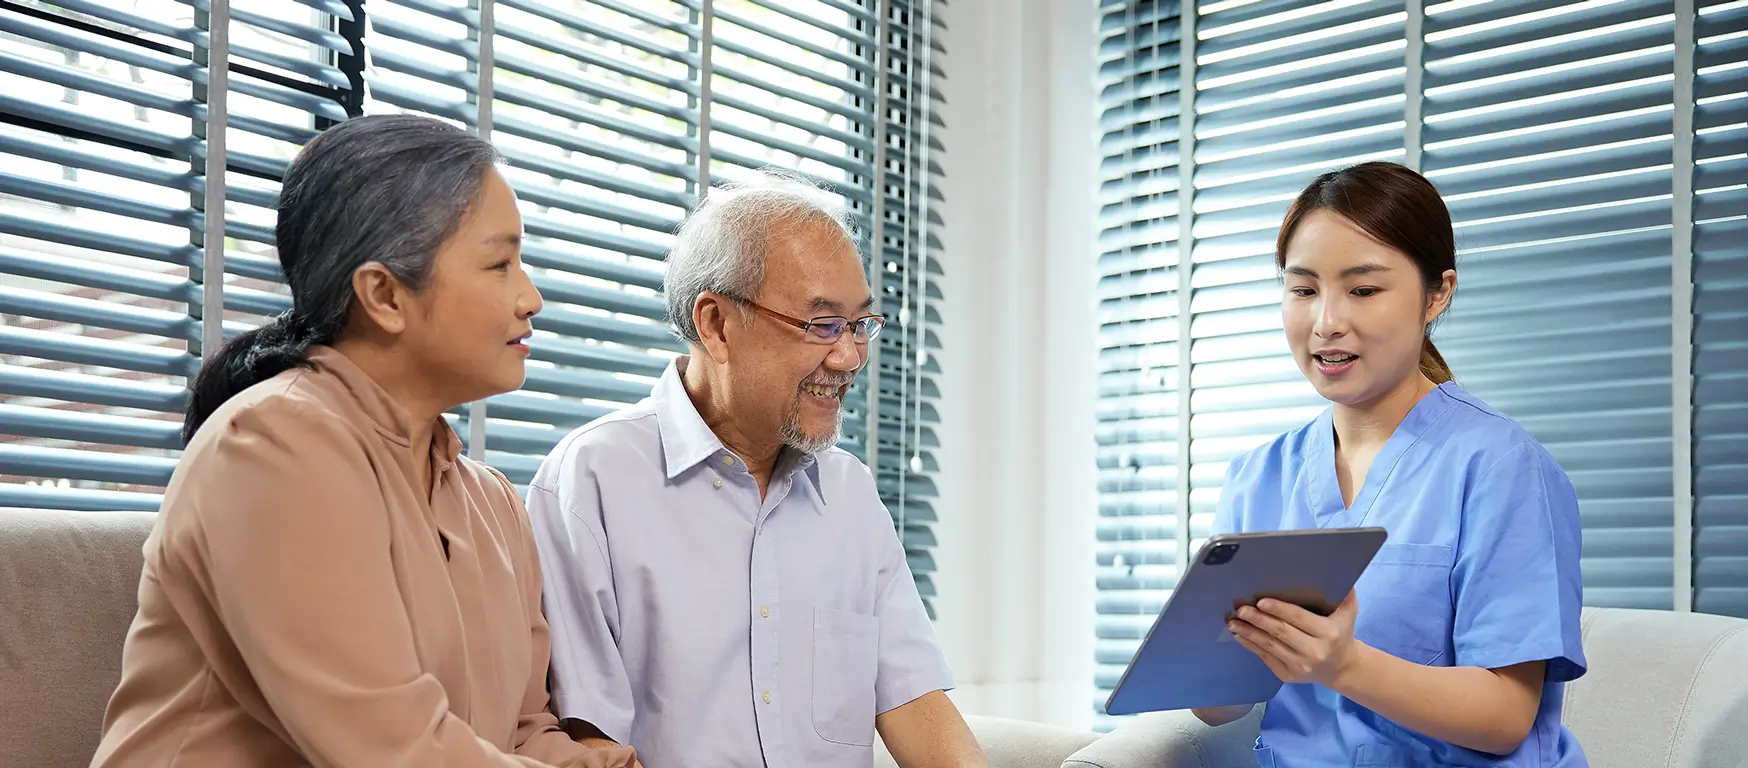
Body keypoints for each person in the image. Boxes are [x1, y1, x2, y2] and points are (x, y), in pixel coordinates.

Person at [90, 114, 636, 768]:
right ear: (383, 294)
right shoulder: (271, 447)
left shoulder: (491, 501)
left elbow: (523, 734)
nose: (531, 297)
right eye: (499, 263)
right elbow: (394, 751)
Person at [525, 170, 987, 768]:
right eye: (821, 325)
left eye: (859, 325)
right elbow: (591, 742)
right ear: (717, 324)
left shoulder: (850, 494)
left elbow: (915, 701)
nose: (848, 356)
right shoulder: (592, 480)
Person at [1189, 162, 1588, 766]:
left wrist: (1343, 664)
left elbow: (1505, 717)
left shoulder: (1501, 467)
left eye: (1363, 290)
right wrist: (1201, 662)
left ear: (1438, 294)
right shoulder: (1258, 476)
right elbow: (1221, 703)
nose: (1326, 322)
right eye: (1303, 290)